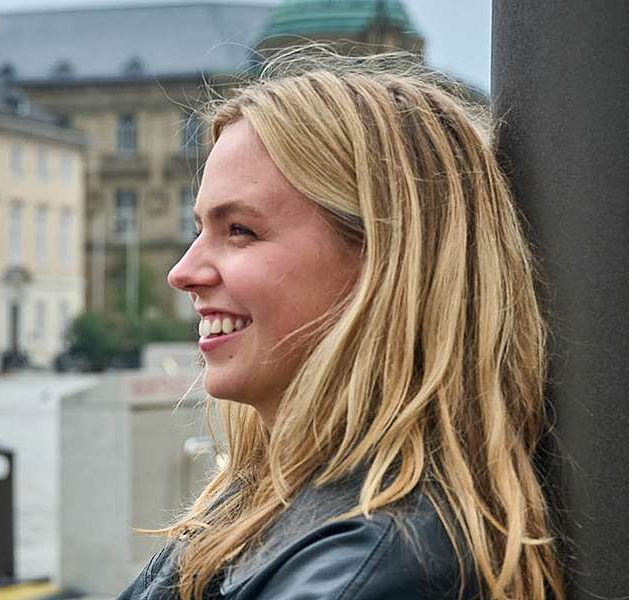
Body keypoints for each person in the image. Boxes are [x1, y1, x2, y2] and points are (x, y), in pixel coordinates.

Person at [120, 48, 563, 600]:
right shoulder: (271, 504)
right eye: (198, 229)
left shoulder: (372, 568)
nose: (181, 272)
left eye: (239, 230)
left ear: (388, 260)